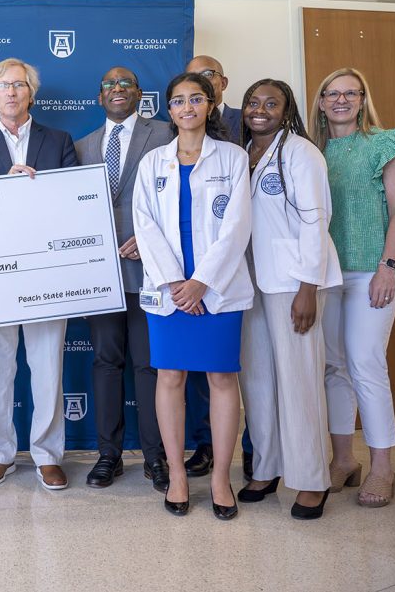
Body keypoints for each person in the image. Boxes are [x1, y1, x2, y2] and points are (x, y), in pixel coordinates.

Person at [132, 72, 252, 519]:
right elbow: (144, 226)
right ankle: (178, 476)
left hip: (216, 290)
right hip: (169, 292)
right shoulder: (152, 164)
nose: (187, 107)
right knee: (170, 378)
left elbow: (237, 225)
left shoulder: (233, 158)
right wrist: (175, 284)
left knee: (222, 379)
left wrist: (202, 281)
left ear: (210, 105)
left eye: (196, 99)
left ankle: (221, 477)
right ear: (169, 110)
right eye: (178, 101)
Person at [0, 58, 78, 491]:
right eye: (3, 86)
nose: (11, 92)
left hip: (47, 270)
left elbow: (72, 203)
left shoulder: (59, 140)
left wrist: (38, 187)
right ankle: (0, 454)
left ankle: (47, 454)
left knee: (48, 365)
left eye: (19, 85)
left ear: (32, 93)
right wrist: (2, 188)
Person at [309, 68, 395, 508]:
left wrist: (387, 267)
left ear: (362, 99)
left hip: (371, 273)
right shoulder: (312, 151)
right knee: (334, 368)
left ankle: (382, 468)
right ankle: (343, 461)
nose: (340, 100)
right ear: (320, 102)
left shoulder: (384, 144)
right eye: (331, 93)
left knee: (366, 364)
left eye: (349, 93)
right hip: (326, 275)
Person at [237, 79, 342, 520]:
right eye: (252, 102)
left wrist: (307, 288)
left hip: (293, 285)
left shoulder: (301, 153)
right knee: (257, 381)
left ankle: (312, 479)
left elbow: (316, 222)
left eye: (271, 103)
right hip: (249, 284)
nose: (260, 110)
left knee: (299, 382)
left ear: (287, 109)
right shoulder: (240, 154)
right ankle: (266, 467)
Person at [75, 67, 170, 492]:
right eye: (109, 84)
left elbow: (180, 198)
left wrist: (146, 238)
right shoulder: (80, 147)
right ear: (99, 97)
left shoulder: (167, 134)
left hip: (151, 271)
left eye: (125, 83)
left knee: (150, 366)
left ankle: (156, 456)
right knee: (106, 363)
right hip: (100, 276)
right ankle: (108, 454)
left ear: (139, 94)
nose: (117, 89)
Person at [183, 54, 253, 478]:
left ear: (221, 84)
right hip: (187, 276)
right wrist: (188, 281)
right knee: (195, 370)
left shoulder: (247, 124)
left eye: (206, 79)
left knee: (239, 368)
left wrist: (206, 278)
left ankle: (251, 450)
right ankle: (204, 446)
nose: (196, 92)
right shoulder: (169, 146)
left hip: (240, 263)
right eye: (190, 84)